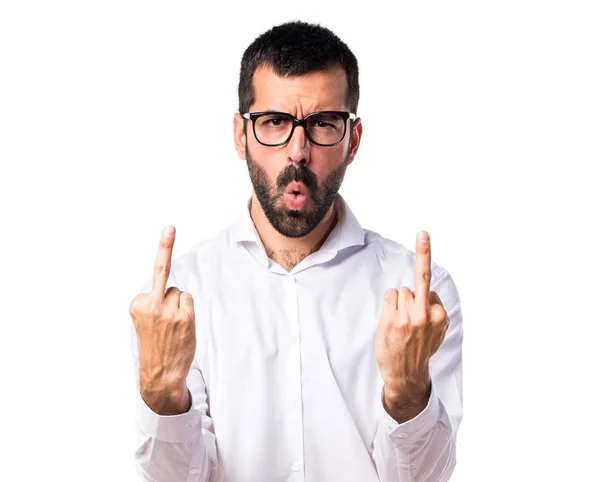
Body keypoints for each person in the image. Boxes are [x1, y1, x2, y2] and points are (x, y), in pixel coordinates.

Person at [129, 20, 463, 482]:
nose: (297, 151)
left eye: (324, 124)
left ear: (354, 140)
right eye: (274, 123)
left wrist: (408, 394)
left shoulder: (420, 301)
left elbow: (421, 479)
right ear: (240, 135)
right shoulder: (174, 303)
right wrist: (162, 398)